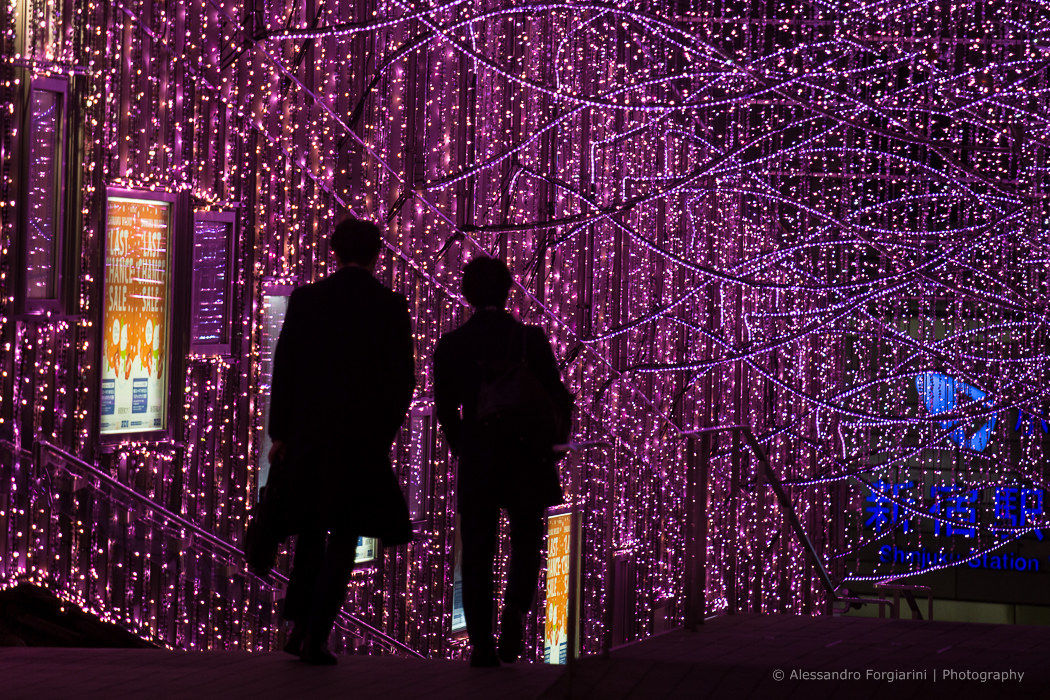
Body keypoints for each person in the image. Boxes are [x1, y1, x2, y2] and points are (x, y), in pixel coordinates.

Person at [267, 216, 416, 665]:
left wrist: (282, 433)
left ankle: (298, 626)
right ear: (376, 254)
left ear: (334, 251)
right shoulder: (390, 305)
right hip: (359, 441)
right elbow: (401, 381)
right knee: (345, 534)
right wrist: (381, 434)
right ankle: (317, 632)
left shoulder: (308, 300)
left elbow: (286, 368)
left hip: (310, 435)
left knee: (311, 529)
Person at [433, 256, 573, 667]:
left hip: (479, 456)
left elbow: (445, 409)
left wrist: (464, 444)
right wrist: (553, 444)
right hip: (527, 455)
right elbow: (557, 396)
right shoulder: (530, 340)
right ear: (506, 291)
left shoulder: (452, 345)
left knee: (478, 548)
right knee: (526, 542)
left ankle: (481, 643)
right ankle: (513, 617)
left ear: (468, 293)